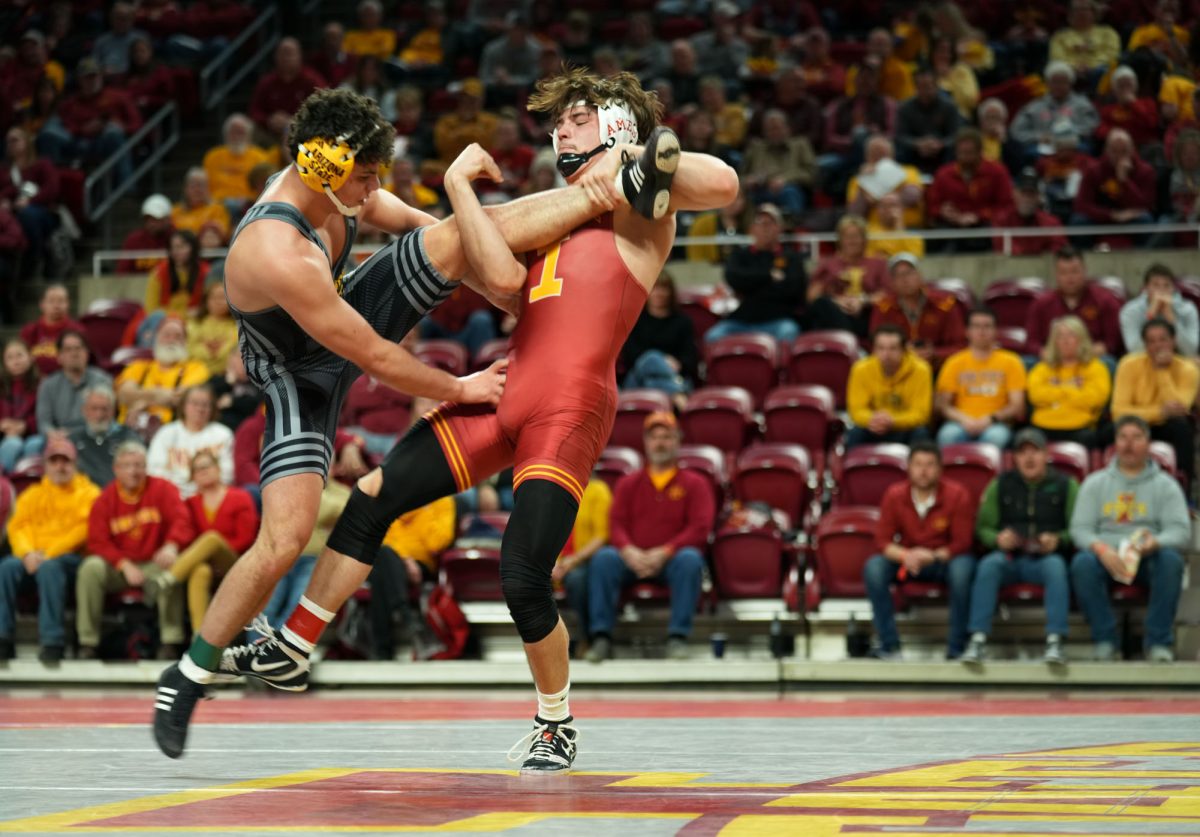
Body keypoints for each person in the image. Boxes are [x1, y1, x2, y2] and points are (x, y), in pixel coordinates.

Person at [152, 81, 712, 763]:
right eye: (363, 178)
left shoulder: (643, 201)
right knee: (323, 520)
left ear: (619, 130)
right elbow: (398, 339)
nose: (558, 134)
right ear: (326, 168)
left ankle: (555, 721)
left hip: (563, 403)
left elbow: (718, 181)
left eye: (575, 122)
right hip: (327, 369)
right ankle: (247, 659)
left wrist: (640, 164)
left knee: (521, 575)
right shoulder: (280, 247)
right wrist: (457, 374)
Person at [586, 412, 713, 662]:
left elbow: (700, 527)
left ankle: (678, 638)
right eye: (655, 437)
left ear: (678, 441)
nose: (660, 443)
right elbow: (616, 523)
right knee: (604, 559)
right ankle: (601, 637)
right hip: (632, 559)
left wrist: (666, 551)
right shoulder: (628, 483)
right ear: (645, 442)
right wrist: (628, 551)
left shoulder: (695, 483)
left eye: (667, 437)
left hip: (671, 559)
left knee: (690, 559)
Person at [1069, 415, 1187, 662]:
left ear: (1148, 443)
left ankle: (1158, 643)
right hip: (1107, 556)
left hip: (1148, 556)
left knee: (1171, 561)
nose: (1128, 444)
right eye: (1123, 437)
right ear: (1115, 443)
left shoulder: (1166, 485)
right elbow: (1080, 529)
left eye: (1136, 437)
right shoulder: (1095, 483)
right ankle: (1105, 641)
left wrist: (1155, 543)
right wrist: (1101, 549)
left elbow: (1180, 531)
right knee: (1082, 563)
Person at [961, 428, 1077, 665]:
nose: (1029, 458)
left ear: (1046, 455)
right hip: (1010, 558)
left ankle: (1056, 641)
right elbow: (982, 528)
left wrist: (1059, 539)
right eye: (1022, 452)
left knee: (1056, 567)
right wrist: (997, 539)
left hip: (1046, 558)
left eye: (1035, 451)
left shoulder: (1067, 485)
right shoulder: (1000, 485)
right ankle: (977, 640)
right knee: (988, 565)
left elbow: (1079, 528)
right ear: (1014, 458)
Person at [77, 441, 194, 659]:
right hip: (120, 567)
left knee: (173, 568)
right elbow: (97, 542)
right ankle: (88, 642)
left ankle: (170, 641)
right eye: (127, 465)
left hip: (154, 564)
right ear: (116, 469)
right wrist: (123, 564)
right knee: (89, 568)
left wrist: (172, 545)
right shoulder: (105, 500)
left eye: (139, 465)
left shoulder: (163, 488)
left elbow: (182, 521)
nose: (134, 471)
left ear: (146, 467)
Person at [863, 441, 976, 660]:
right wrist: (907, 555)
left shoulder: (957, 494)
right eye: (918, 464)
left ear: (940, 468)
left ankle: (957, 647)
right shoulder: (895, 495)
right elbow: (882, 541)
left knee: (963, 570)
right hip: (909, 562)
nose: (923, 471)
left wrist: (932, 556)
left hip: (943, 561)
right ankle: (889, 645)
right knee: (874, 568)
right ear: (908, 467)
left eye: (930, 465)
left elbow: (962, 542)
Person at [0, 437, 100, 663]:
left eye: (65, 461)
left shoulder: (89, 493)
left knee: (50, 569)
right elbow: (17, 527)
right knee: (6, 567)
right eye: (54, 461)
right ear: (45, 465)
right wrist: (27, 554)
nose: (60, 466)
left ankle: (52, 641)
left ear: (75, 464)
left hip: (71, 559)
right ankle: (3, 638)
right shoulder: (33, 494)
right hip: (33, 557)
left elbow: (83, 530)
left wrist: (46, 555)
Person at [152, 451, 258, 633]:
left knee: (211, 538)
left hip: (236, 562)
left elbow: (246, 538)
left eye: (206, 466)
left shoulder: (240, 496)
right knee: (200, 572)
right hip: (204, 563)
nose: (202, 471)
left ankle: (169, 579)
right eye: (197, 469)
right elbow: (186, 534)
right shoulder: (191, 502)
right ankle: (199, 639)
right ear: (192, 477)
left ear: (218, 468)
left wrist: (213, 552)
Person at [368, 491, 456, 661]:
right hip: (392, 560)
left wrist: (427, 509)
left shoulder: (442, 501)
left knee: (381, 575)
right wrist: (404, 560)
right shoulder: (394, 500)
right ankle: (402, 609)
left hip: (421, 566)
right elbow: (380, 537)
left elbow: (437, 543)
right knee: (383, 558)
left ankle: (382, 650)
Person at [1111, 318, 1198, 488]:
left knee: (1182, 428)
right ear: (1145, 345)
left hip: (1167, 427)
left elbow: (1179, 408)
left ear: (1173, 341)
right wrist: (1159, 412)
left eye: (1163, 339)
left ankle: (1183, 493)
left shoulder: (1188, 369)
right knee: (1103, 433)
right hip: (1134, 424)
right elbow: (1118, 412)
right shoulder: (1128, 365)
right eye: (1151, 341)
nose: (1158, 346)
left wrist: (1162, 371)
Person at [706, 203, 805, 344]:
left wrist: (750, 285)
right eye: (760, 223)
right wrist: (769, 276)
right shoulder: (740, 255)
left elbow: (794, 289)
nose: (765, 228)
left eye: (770, 223)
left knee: (789, 331)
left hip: (778, 320)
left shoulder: (791, 258)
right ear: (752, 229)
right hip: (741, 321)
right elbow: (733, 278)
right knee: (713, 336)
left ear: (780, 228)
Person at [935, 307, 1027, 448]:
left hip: (997, 424)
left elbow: (1017, 406)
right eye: (976, 326)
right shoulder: (954, 362)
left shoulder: (1011, 361)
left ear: (996, 331)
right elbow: (943, 405)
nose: (982, 331)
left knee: (994, 438)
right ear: (967, 331)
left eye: (987, 326)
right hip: (961, 422)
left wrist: (990, 419)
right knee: (947, 435)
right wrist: (965, 419)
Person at [1027, 316, 1112, 448]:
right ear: (1054, 341)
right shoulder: (1042, 368)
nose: (1065, 340)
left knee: (1090, 438)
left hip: (1080, 427)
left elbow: (1094, 400)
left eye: (1071, 335)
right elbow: (1036, 396)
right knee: (1025, 439)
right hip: (1043, 426)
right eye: (1060, 336)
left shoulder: (1096, 368)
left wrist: (1056, 394)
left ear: (1082, 339)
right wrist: (1073, 390)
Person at [926, 128, 1014, 253]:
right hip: (952, 228)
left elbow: (1006, 206)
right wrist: (943, 212)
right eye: (961, 153)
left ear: (980, 152)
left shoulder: (997, 172)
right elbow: (932, 206)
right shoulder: (943, 174)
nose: (965, 157)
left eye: (969, 153)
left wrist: (979, 216)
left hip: (985, 227)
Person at [869, 253, 965, 366]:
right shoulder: (883, 307)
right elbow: (874, 347)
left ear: (920, 276)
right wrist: (902, 353)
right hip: (897, 369)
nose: (904, 280)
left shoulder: (945, 304)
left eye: (909, 273)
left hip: (937, 368)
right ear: (892, 283)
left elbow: (961, 346)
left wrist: (935, 353)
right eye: (897, 275)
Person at [1025, 246, 1122, 359]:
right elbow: (1031, 343)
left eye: (1075, 271)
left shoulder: (1105, 301)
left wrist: (1082, 354)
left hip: (1091, 359)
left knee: (1108, 362)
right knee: (1027, 362)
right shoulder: (1041, 304)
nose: (1070, 278)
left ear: (1084, 271)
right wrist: (1050, 354)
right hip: (1053, 361)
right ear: (1056, 275)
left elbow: (1112, 343)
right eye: (1063, 273)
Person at [845, 324, 933, 448]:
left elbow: (921, 414)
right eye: (881, 348)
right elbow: (856, 410)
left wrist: (893, 421)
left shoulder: (921, 370)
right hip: (873, 427)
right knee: (855, 433)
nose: (886, 354)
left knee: (921, 432)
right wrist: (873, 419)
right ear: (873, 350)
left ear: (904, 350)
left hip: (904, 428)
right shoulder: (860, 369)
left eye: (893, 348)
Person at [114, 317, 209, 425]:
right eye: (166, 335)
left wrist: (141, 399)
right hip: (130, 427)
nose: (171, 340)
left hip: (170, 430)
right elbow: (124, 395)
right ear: (156, 339)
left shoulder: (196, 368)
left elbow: (180, 399)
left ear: (186, 342)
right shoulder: (138, 366)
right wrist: (158, 395)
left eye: (178, 336)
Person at [620, 272, 698, 403]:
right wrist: (662, 362)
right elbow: (631, 356)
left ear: (671, 292)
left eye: (663, 288)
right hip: (638, 378)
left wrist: (679, 364)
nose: (659, 293)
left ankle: (673, 390)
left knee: (652, 383)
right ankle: (679, 395)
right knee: (651, 357)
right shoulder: (635, 320)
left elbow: (690, 357)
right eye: (654, 288)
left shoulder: (683, 322)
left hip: (662, 378)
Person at [554, 474, 612, 650]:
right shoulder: (554, 490)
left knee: (577, 580)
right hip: (556, 562)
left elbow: (602, 536)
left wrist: (572, 561)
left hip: (587, 561)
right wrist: (550, 563)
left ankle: (588, 638)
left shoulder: (598, 490)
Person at [806, 214, 888, 335]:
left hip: (866, 314)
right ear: (840, 240)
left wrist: (862, 301)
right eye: (847, 236)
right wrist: (837, 301)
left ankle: (850, 342)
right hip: (835, 315)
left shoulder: (878, 263)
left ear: (864, 239)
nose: (852, 241)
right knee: (821, 304)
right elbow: (812, 297)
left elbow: (887, 294)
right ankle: (849, 342)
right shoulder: (827, 263)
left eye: (856, 236)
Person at [146, 385, 235, 497]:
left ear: (212, 408)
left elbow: (228, 473)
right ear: (183, 406)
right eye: (194, 403)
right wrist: (181, 491)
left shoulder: (223, 434)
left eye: (205, 405)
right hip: (173, 496)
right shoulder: (166, 433)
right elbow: (154, 471)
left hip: (211, 496)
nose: (200, 409)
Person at [36, 330, 112, 436]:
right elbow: (44, 423)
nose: (74, 353)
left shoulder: (103, 380)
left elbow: (107, 418)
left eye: (78, 348)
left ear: (87, 353)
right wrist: (53, 434)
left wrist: (77, 434)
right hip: (59, 438)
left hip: (92, 435)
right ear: (59, 356)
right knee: (34, 444)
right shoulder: (48, 385)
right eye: (68, 349)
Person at [1120, 264, 1200, 357]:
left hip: (1179, 360)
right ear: (1146, 288)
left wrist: (1172, 319)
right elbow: (1135, 351)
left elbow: (1190, 351)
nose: (1161, 290)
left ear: (1173, 289)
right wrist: (1150, 316)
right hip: (1145, 361)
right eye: (1155, 285)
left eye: (1166, 285)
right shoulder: (1130, 311)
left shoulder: (1187, 309)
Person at [894, 65, 960, 175]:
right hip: (914, 151)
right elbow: (900, 136)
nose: (926, 91)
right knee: (899, 150)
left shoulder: (949, 106)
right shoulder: (905, 108)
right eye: (921, 87)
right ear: (915, 88)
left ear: (936, 86)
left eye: (929, 86)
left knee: (955, 150)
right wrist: (917, 144)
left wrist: (941, 144)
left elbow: (956, 135)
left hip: (942, 151)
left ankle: (948, 177)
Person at [69, 386, 140, 487]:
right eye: (94, 409)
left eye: (104, 409)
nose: (99, 415)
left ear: (113, 411)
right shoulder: (73, 439)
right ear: (84, 411)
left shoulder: (128, 438)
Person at [991, 168, 1069, 256]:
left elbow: (1058, 250)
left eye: (1031, 193)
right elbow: (1000, 247)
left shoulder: (1051, 223)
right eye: (1023, 193)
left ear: (1039, 197)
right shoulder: (1002, 220)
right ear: (1014, 194)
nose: (1027, 199)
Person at [145, 229, 209, 319]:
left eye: (181, 247)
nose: (175, 251)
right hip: (163, 322)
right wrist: (185, 315)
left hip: (196, 323)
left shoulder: (206, 272)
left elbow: (207, 308)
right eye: (172, 247)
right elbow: (151, 311)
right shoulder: (158, 273)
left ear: (194, 248)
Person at [0, 339, 43, 473]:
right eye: (10, 357)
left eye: (20, 355)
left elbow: (45, 414)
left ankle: (27, 481)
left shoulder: (42, 384)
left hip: (34, 433)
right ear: (4, 363)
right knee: (12, 444)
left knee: (34, 444)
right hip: (5, 436)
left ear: (30, 357)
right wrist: (2, 425)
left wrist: (25, 426)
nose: (16, 361)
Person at [20, 284, 82, 376]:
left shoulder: (77, 330)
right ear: (42, 304)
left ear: (68, 304)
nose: (56, 306)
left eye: (61, 301)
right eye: (51, 301)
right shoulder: (29, 331)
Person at [188, 283, 239, 377]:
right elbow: (190, 349)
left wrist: (220, 350)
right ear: (206, 300)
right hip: (196, 372)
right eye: (214, 298)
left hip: (227, 373)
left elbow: (236, 350)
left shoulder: (237, 326)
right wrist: (208, 350)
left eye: (222, 298)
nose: (218, 302)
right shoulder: (195, 324)